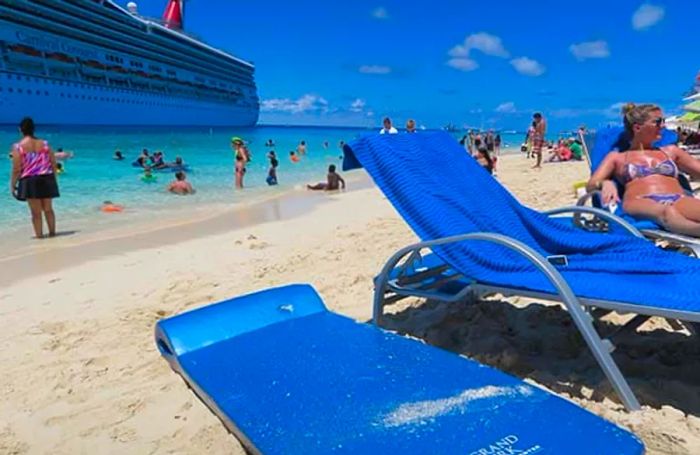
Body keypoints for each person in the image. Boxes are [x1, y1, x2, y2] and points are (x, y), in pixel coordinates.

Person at [587, 103, 700, 237]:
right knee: (666, 212)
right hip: (639, 201)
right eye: (657, 122)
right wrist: (606, 183)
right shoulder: (617, 157)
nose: (663, 126)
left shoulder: (671, 151)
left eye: (663, 121)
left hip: (677, 198)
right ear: (637, 127)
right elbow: (591, 184)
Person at [9, 117, 60, 238]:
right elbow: (53, 163)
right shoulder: (45, 144)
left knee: (36, 213)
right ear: (33, 129)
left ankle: (39, 237)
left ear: (20, 130)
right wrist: (54, 179)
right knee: (48, 209)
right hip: (47, 178)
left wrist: (12, 185)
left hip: (30, 180)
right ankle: (52, 234)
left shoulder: (18, 147)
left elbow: (17, 168)